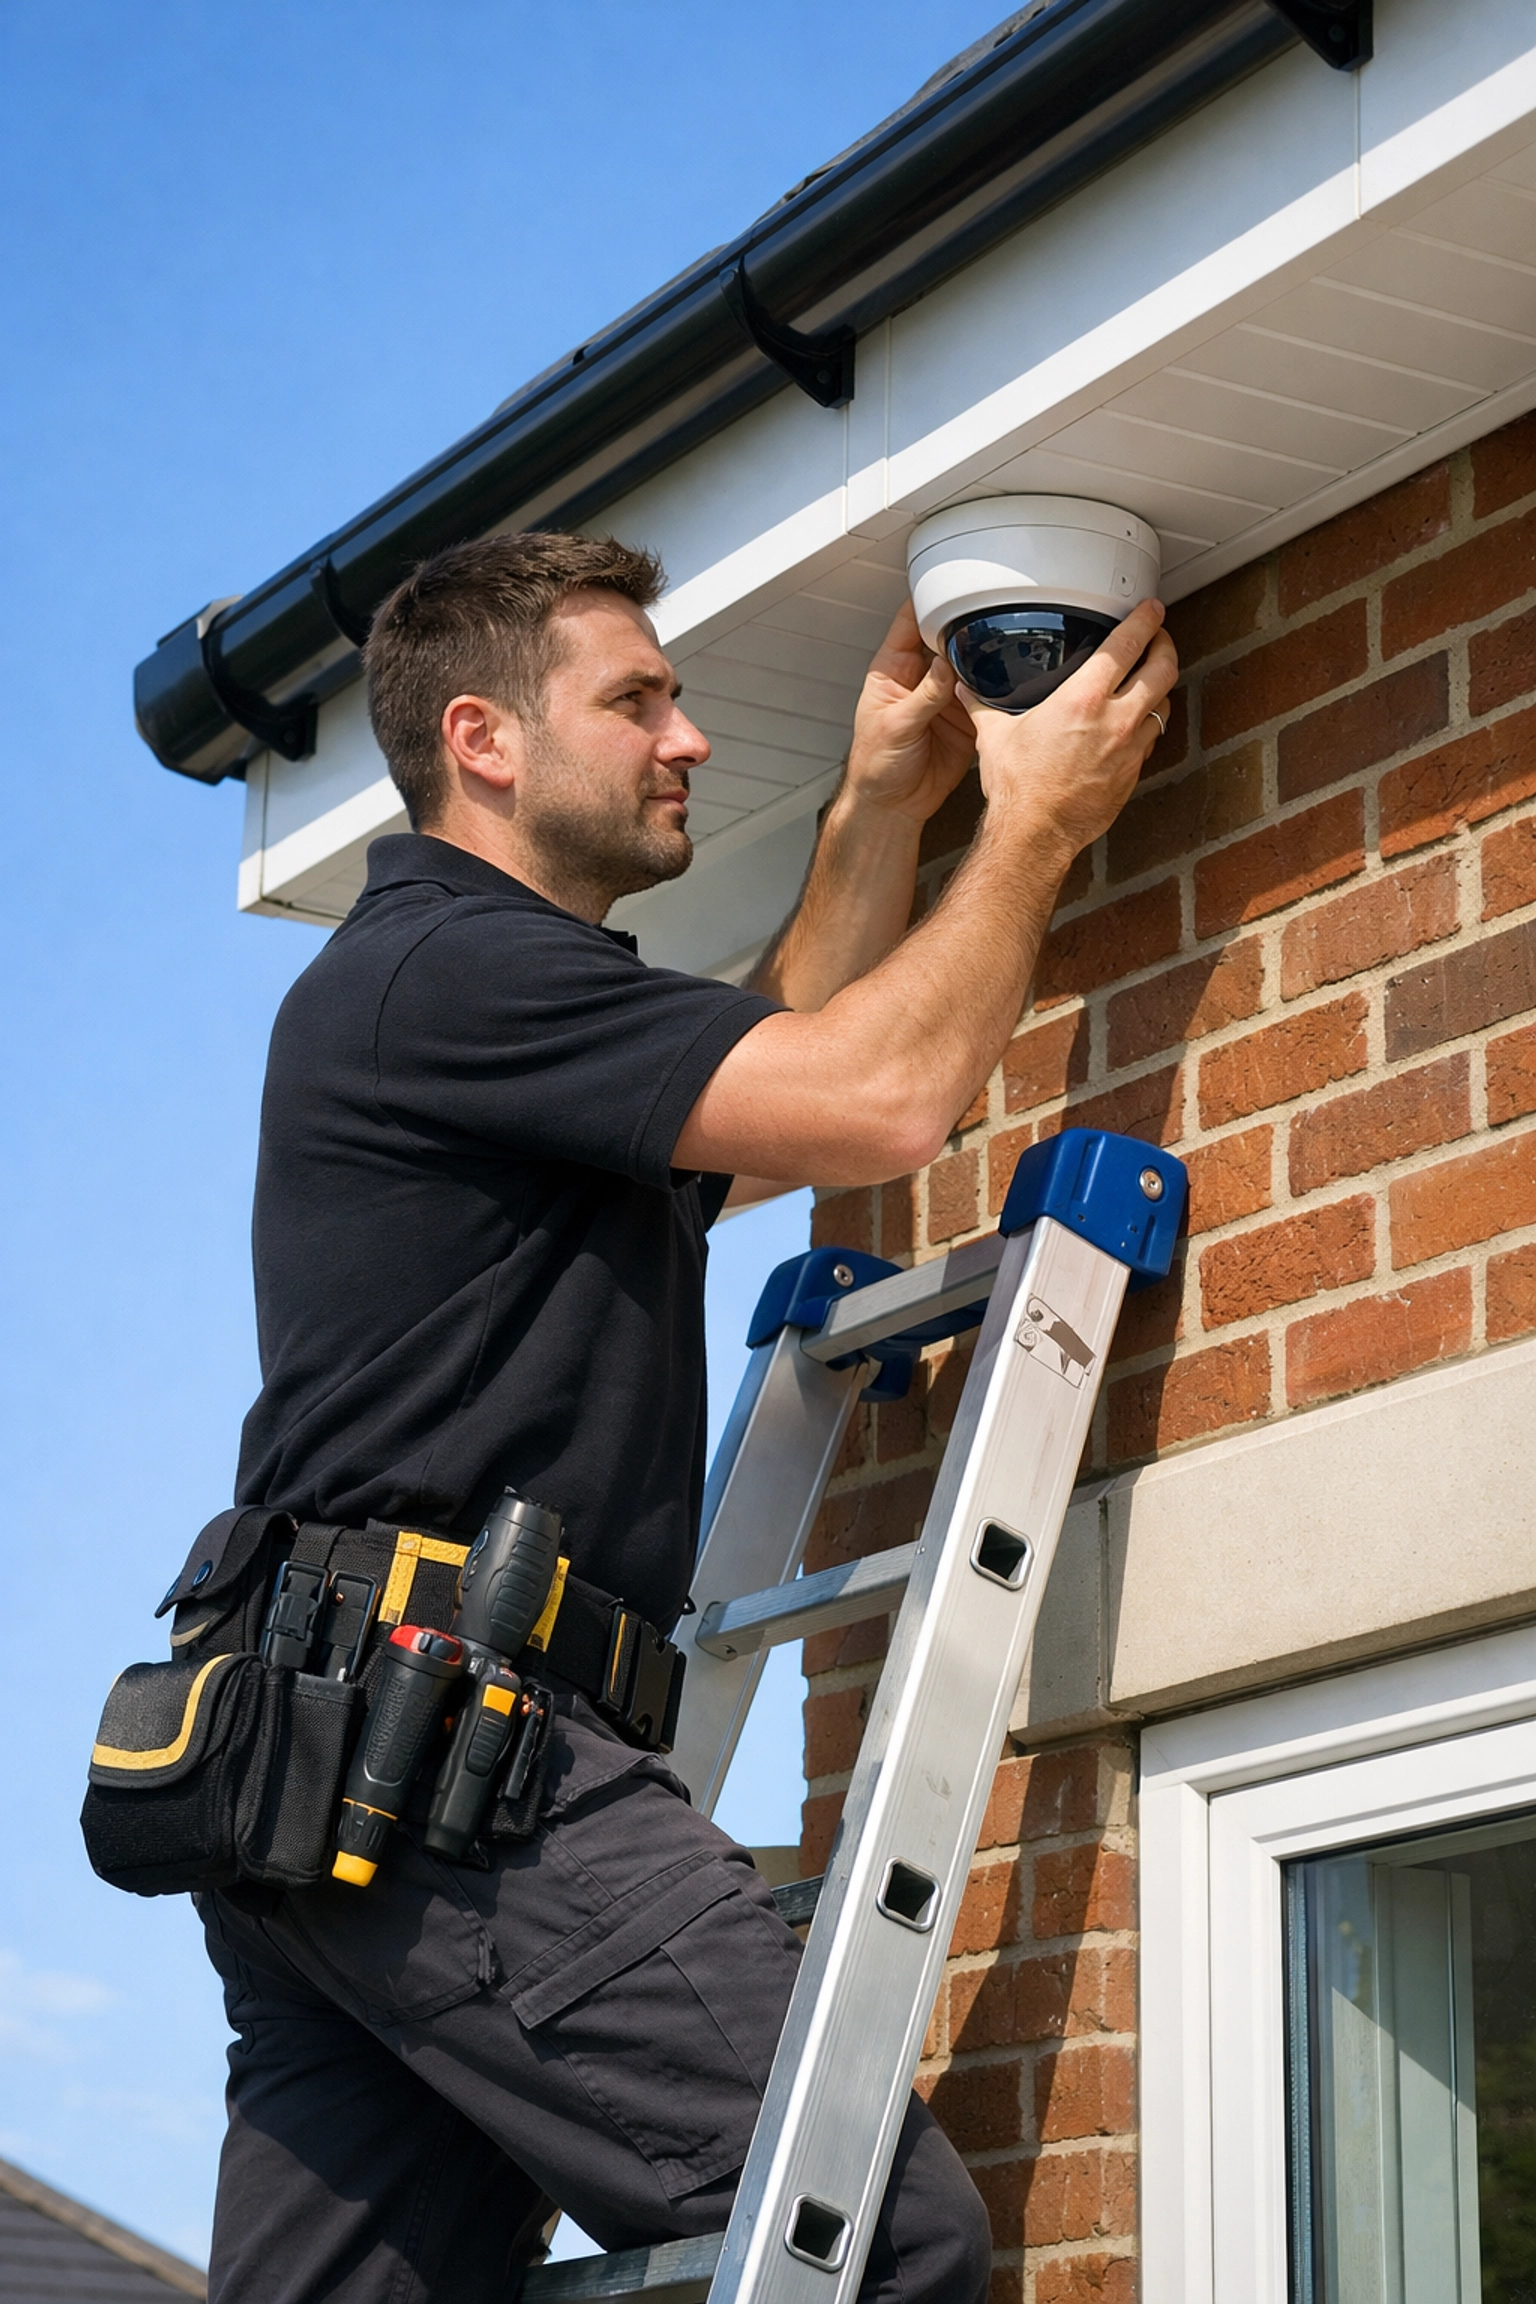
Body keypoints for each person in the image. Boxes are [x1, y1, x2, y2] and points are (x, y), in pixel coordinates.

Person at [201, 529, 1177, 2303]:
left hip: (337, 1771)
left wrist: (883, 808)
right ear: (484, 738)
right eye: (637, 698)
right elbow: (876, 1098)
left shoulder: (465, 999)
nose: (689, 736)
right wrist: (1034, 824)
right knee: (874, 2238)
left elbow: (743, 1095)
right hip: (454, 1758)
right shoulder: (452, 971)